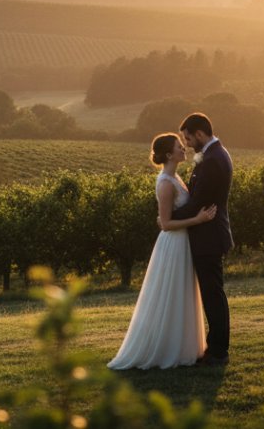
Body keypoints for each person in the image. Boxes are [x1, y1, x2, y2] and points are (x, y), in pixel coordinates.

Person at [107, 133, 217, 370]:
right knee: (171, 294)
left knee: (180, 294)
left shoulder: (175, 177)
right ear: (169, 154)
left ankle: (182, 346)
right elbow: (165, 224)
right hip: (173, 244)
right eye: (179, 147)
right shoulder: (166, 182)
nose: (184, 149)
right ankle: (166, 349)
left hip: (183, 242)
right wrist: (197, 220)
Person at [170, 112, 233, 366]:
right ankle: (215, 347)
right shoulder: (214, 155)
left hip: (209, 236)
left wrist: (169, 217)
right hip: (208, 234)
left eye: (188, 138)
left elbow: (199, 202)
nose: (186, 144)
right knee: (211, 293)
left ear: (199, 134)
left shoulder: (213, 160)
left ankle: (218, 351)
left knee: (212, 294)